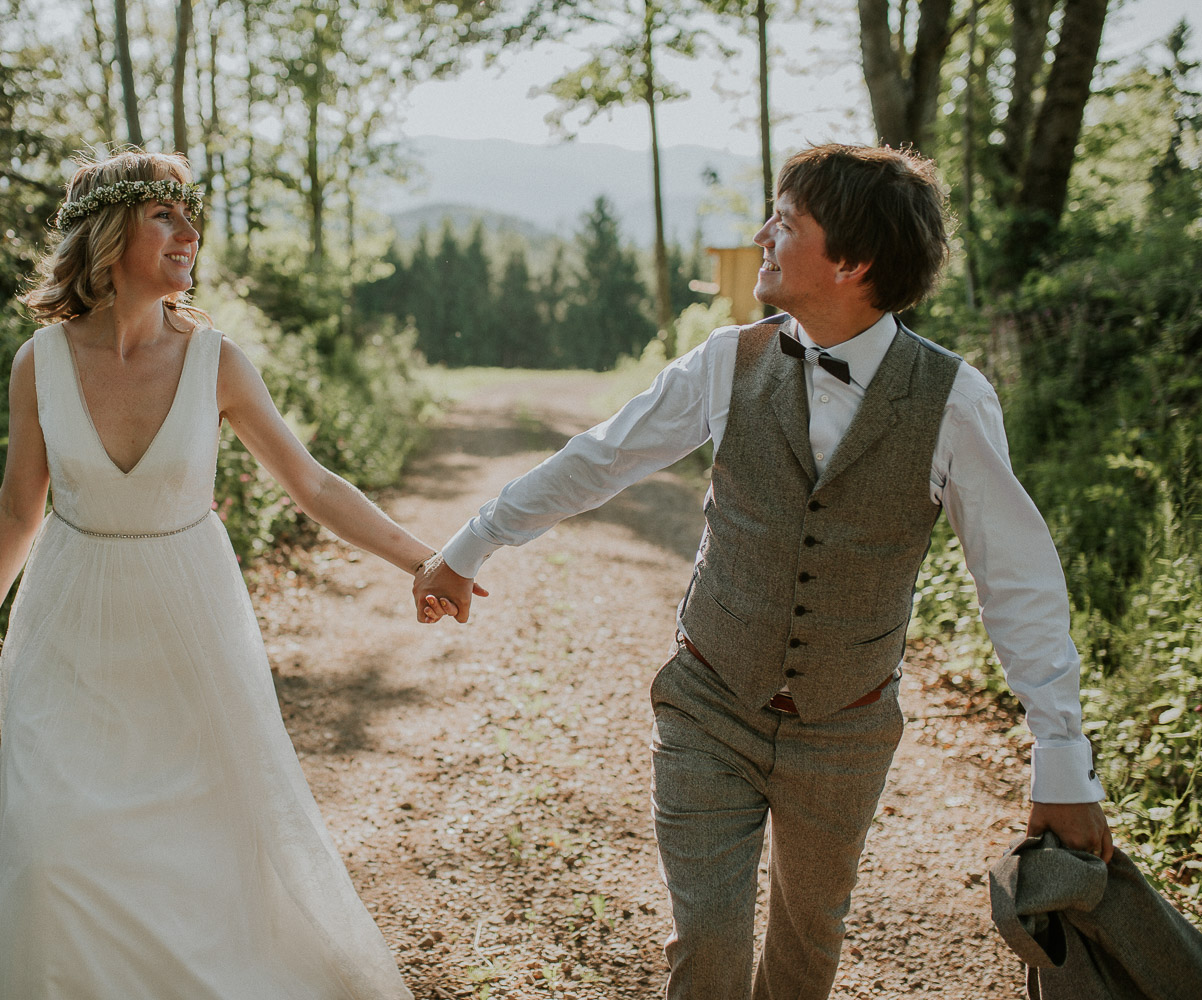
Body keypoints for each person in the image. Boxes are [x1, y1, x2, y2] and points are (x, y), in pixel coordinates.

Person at [412, 143, 1112, 1000]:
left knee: (807, 949)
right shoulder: (726, 361)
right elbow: (599, 460)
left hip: (846, 729)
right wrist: (471, 542)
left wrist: (1062, 759)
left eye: (786, 222)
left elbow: (1017, 582)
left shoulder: (954, 402)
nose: (763, 236)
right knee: (706, 944)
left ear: (852, 262)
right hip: (708, 702)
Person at [0, 149, 466, 998]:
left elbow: (313, 483)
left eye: (191, 217)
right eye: (165, 216)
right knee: (51, 851)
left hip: (189, 626)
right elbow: (15, 509)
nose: (190, 234)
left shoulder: (215, 359)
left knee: (207, 848)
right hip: (66, 632)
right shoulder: (38, 362)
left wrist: (425, 560)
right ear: (110, 236)